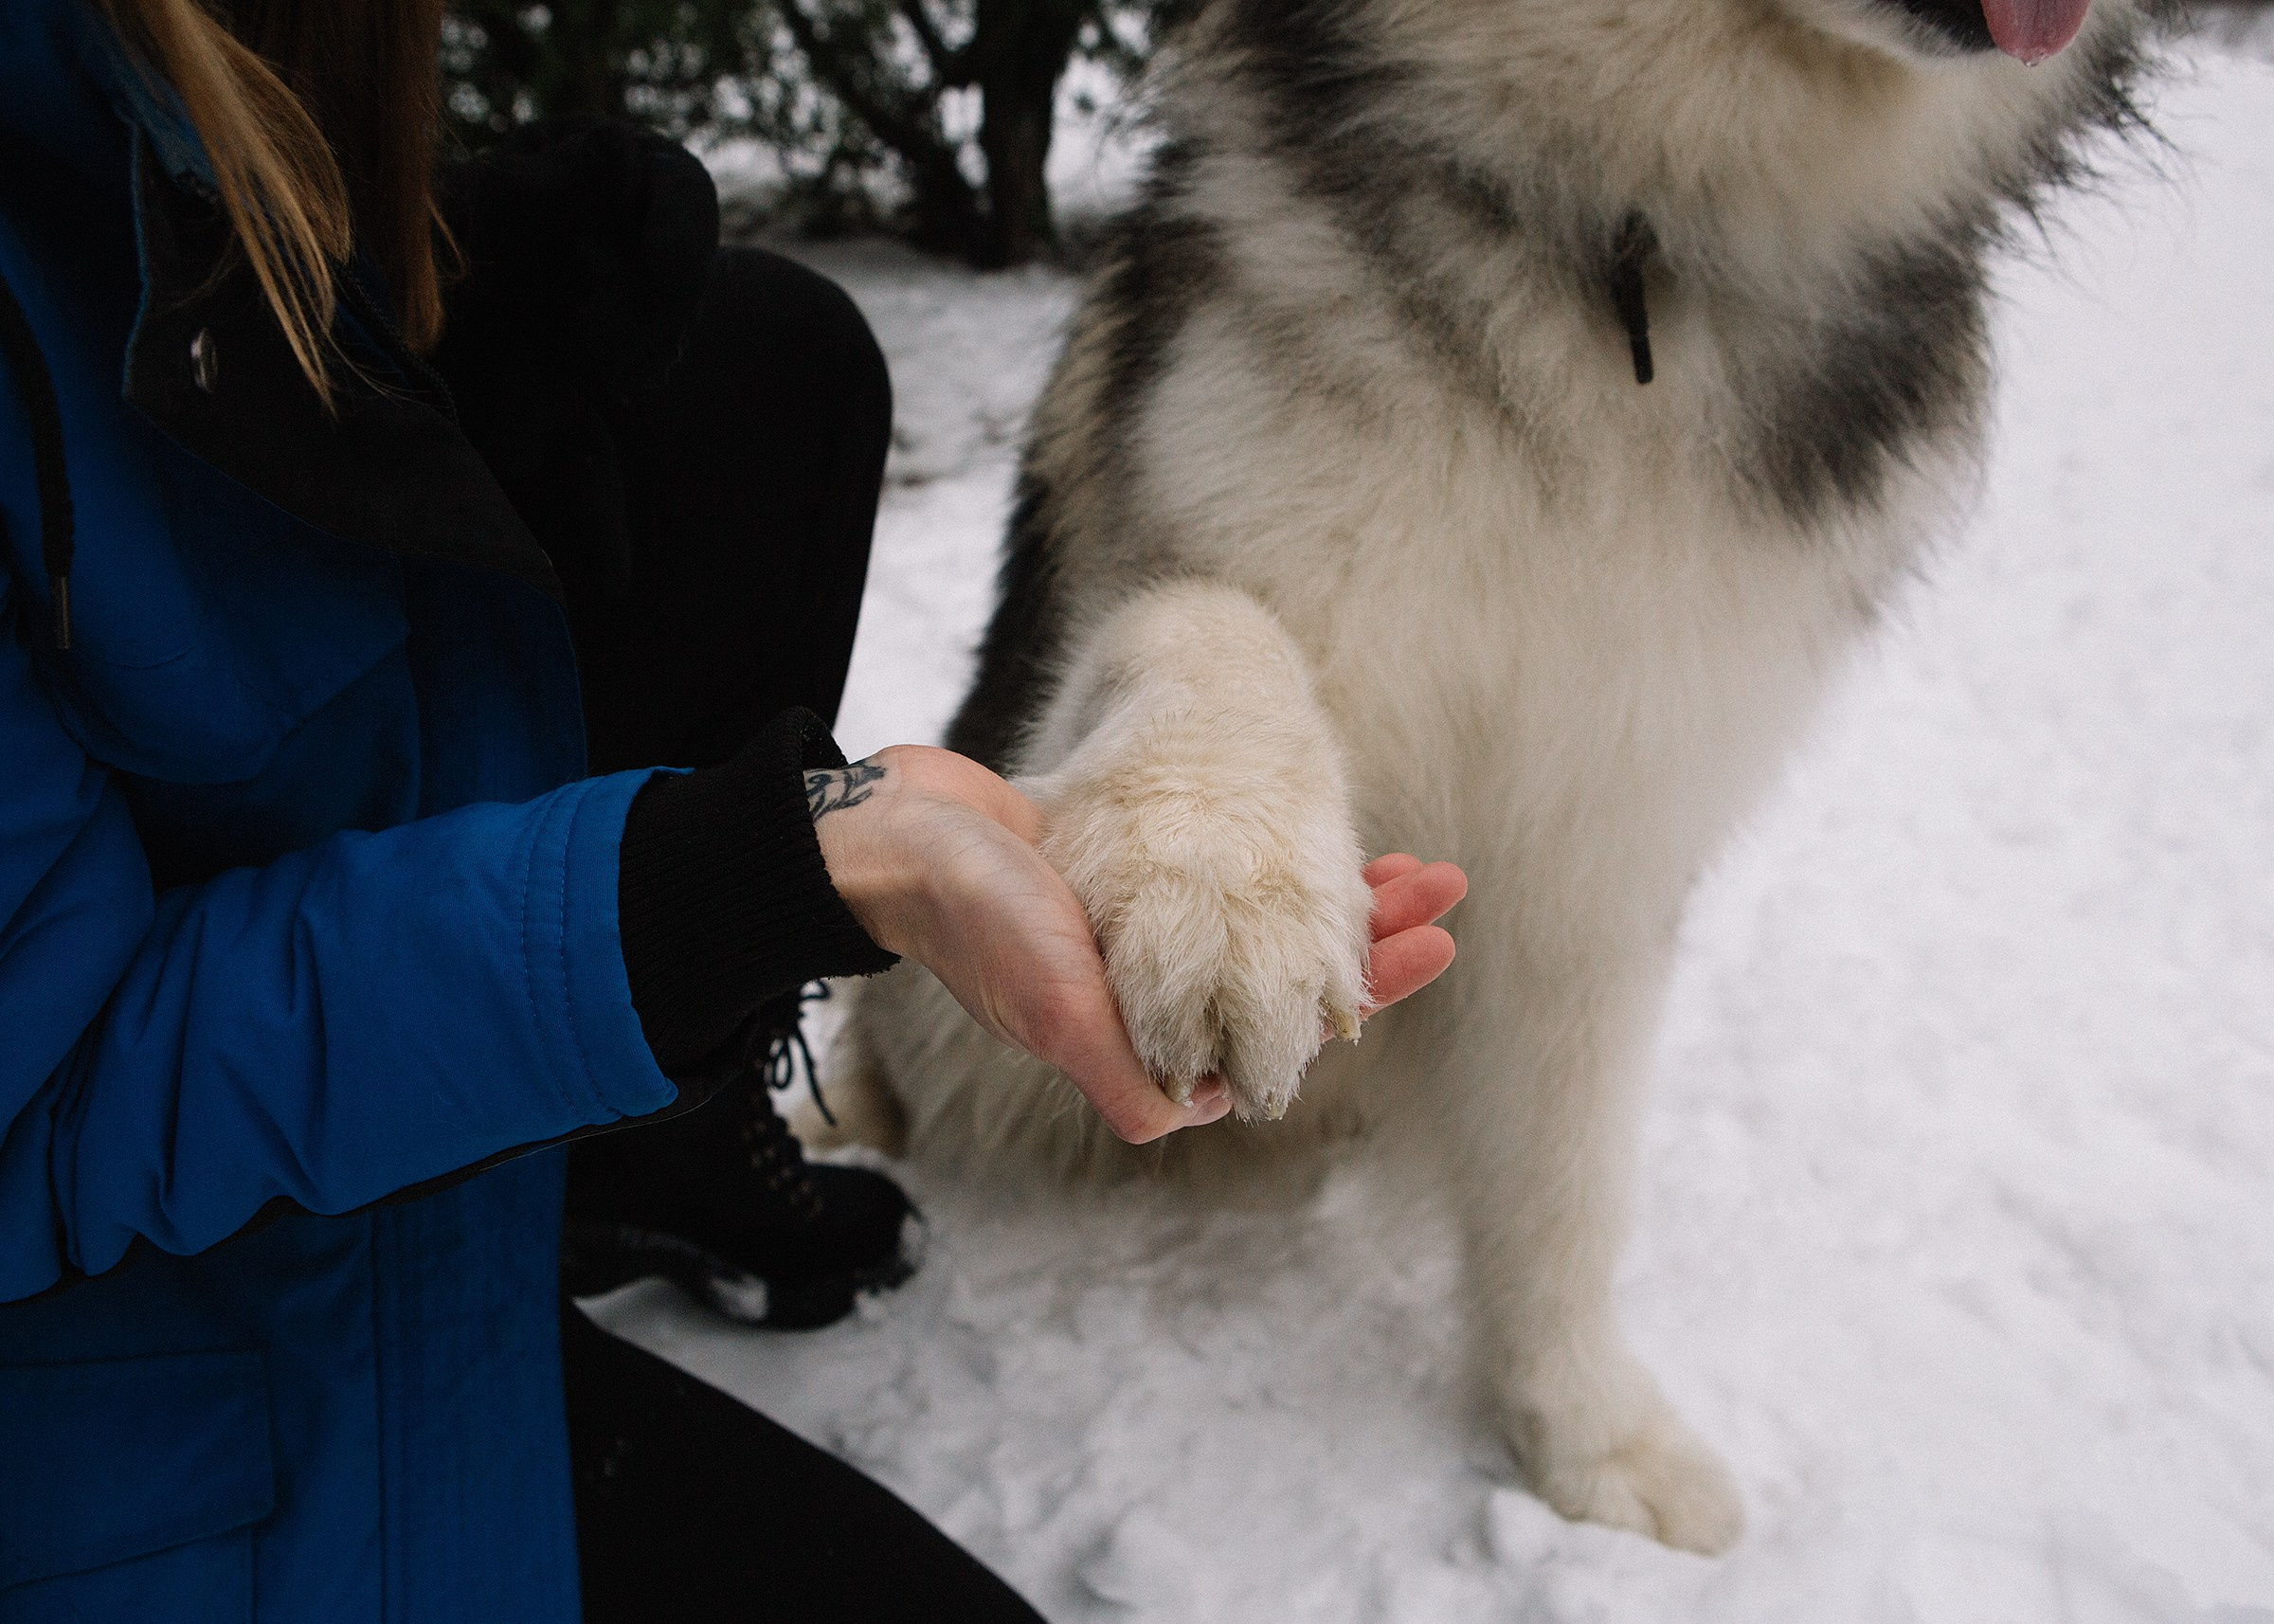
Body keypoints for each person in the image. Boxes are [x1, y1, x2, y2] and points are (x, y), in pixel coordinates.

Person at [0, 2, 1467, 1620]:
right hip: (119, 1407)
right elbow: (44, 1093)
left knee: (764, 352)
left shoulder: (195, 81)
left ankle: (637, 1148)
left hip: (370, 1249)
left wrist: (435, 335)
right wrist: (747, 881)